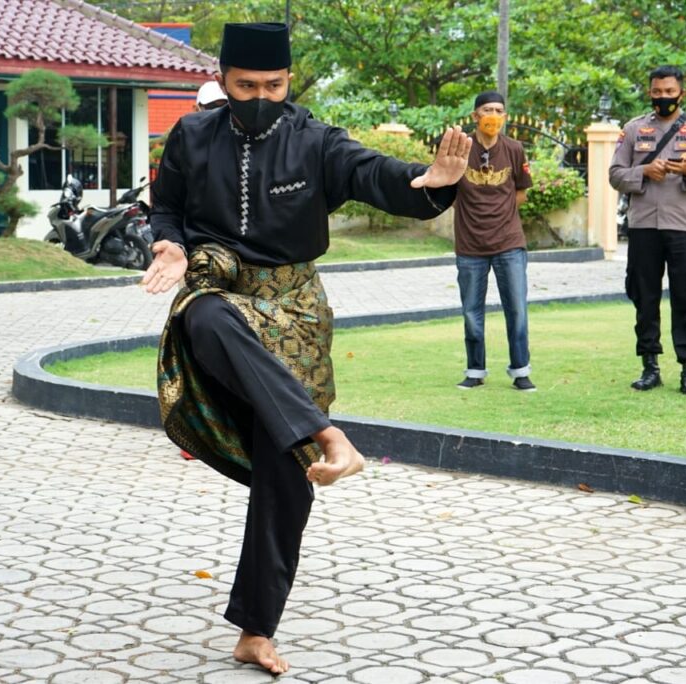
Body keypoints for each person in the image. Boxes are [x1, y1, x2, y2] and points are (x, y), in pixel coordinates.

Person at [142, 22, 470, 675]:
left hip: (295, 310)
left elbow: (374, 174)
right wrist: (169, 243)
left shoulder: (315, 141)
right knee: (204, 318)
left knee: (286, 474)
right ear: (223, 80)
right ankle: (327, 433)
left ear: (289, 80)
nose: (261, 97)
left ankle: (255, 631)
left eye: (274, 85)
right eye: (246, 86)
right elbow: (166, 206)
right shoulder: (192, 135)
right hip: (221, 294)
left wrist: (431, 179)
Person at [609, 65, 686, 395]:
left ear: (681, 94)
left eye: (669, 92)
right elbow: (615, 174)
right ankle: (650, 367)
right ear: (649, 93)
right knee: (645, 297)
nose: (663, 97)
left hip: (684, 226)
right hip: (643, 225)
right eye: (657, 92)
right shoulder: (633, 129)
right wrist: (643, 172)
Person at [450, 91, 535, 392]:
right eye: (487, 110)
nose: (493, 116)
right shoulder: (461, 149)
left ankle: (521, 371)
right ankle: (475, 370)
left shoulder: (514, 149)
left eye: (499, 110)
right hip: (470, 245)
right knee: (471, 313)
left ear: (505, 117)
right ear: (475, 116)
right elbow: (447, 191)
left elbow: (521, 193)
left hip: (509, 243)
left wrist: (501, 214)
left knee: (517, 310)